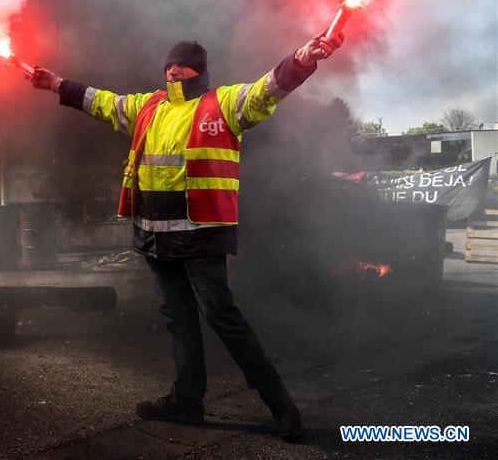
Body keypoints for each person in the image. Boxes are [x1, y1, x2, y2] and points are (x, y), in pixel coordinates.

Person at [29, 33, 344, 441]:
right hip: (154, 237)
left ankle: (280, 405)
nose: (173, 69)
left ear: (200, 70)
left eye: (182, 64)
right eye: (169, 65)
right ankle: (186, 402)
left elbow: (270, 87)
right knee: (179, 321)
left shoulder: (225, 103)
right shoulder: (148, 106)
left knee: (223, 319)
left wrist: (303, 57)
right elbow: (102, 101)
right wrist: (56, 83)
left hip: (201, 235)